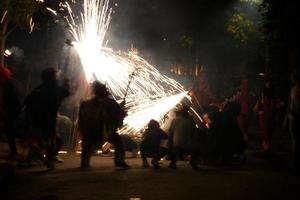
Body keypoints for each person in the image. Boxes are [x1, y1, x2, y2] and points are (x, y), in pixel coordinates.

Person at [24, 67, 70, 169]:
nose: (57, 76)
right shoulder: (53, 89)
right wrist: (66, 83)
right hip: (47, 119)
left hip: (37, 119)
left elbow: (28, 102)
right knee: (50, 139)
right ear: (52, 77)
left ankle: (40, 157)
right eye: (55, 75)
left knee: (44, 139)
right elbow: (65, 92)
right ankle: (47, 159)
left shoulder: (39, 89)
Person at [78, 81, 129, 168]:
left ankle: (84, 162)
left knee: (87, 144)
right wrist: (122, 108)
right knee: (118, 141)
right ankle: (119, 160)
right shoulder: (110, 102)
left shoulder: (86, 103)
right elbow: (121, 114)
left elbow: (81, 120)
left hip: (88, 131)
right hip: (103, 131)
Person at [168, 105, 200, 170]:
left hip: (177, 147)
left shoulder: (175, 121)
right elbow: (195, 133)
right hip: (191, 147)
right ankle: (194, 162)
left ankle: (173, 162)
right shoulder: (191, 121)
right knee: (198, 147)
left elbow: (170, 133)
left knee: (169, 142)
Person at [0, 67, 21, 157]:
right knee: (9, 131)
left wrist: (4, 110)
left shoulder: (7, 84)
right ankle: (13, 151)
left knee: (9, 131)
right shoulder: (11, 82)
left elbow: (10, 99)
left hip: (10, 111)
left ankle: (14, 152)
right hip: (11, 111)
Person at [288, 72, 300, 174]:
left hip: (295, 117)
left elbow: (294, 105)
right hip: (293, 117)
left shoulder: (295, 90)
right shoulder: (294, 89)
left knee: (295, 140)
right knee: (294, 139)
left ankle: (295, 163)